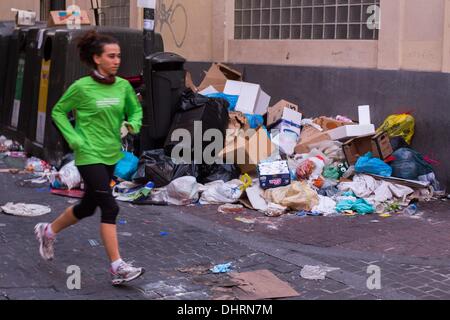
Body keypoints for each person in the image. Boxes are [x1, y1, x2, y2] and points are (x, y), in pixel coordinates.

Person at [34, 30, 144, 286]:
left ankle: (47, 231)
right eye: (111, 56)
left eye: (119, 56)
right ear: (97, 58)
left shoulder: (123, 86)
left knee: (87, 207)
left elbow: (136, 110)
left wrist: (131, 124)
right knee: (110, 207)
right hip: (88, 155)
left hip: (110, 154)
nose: (117, 61)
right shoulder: (81, 88)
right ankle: (118, 266)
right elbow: (59, 112)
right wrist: (74, 138)